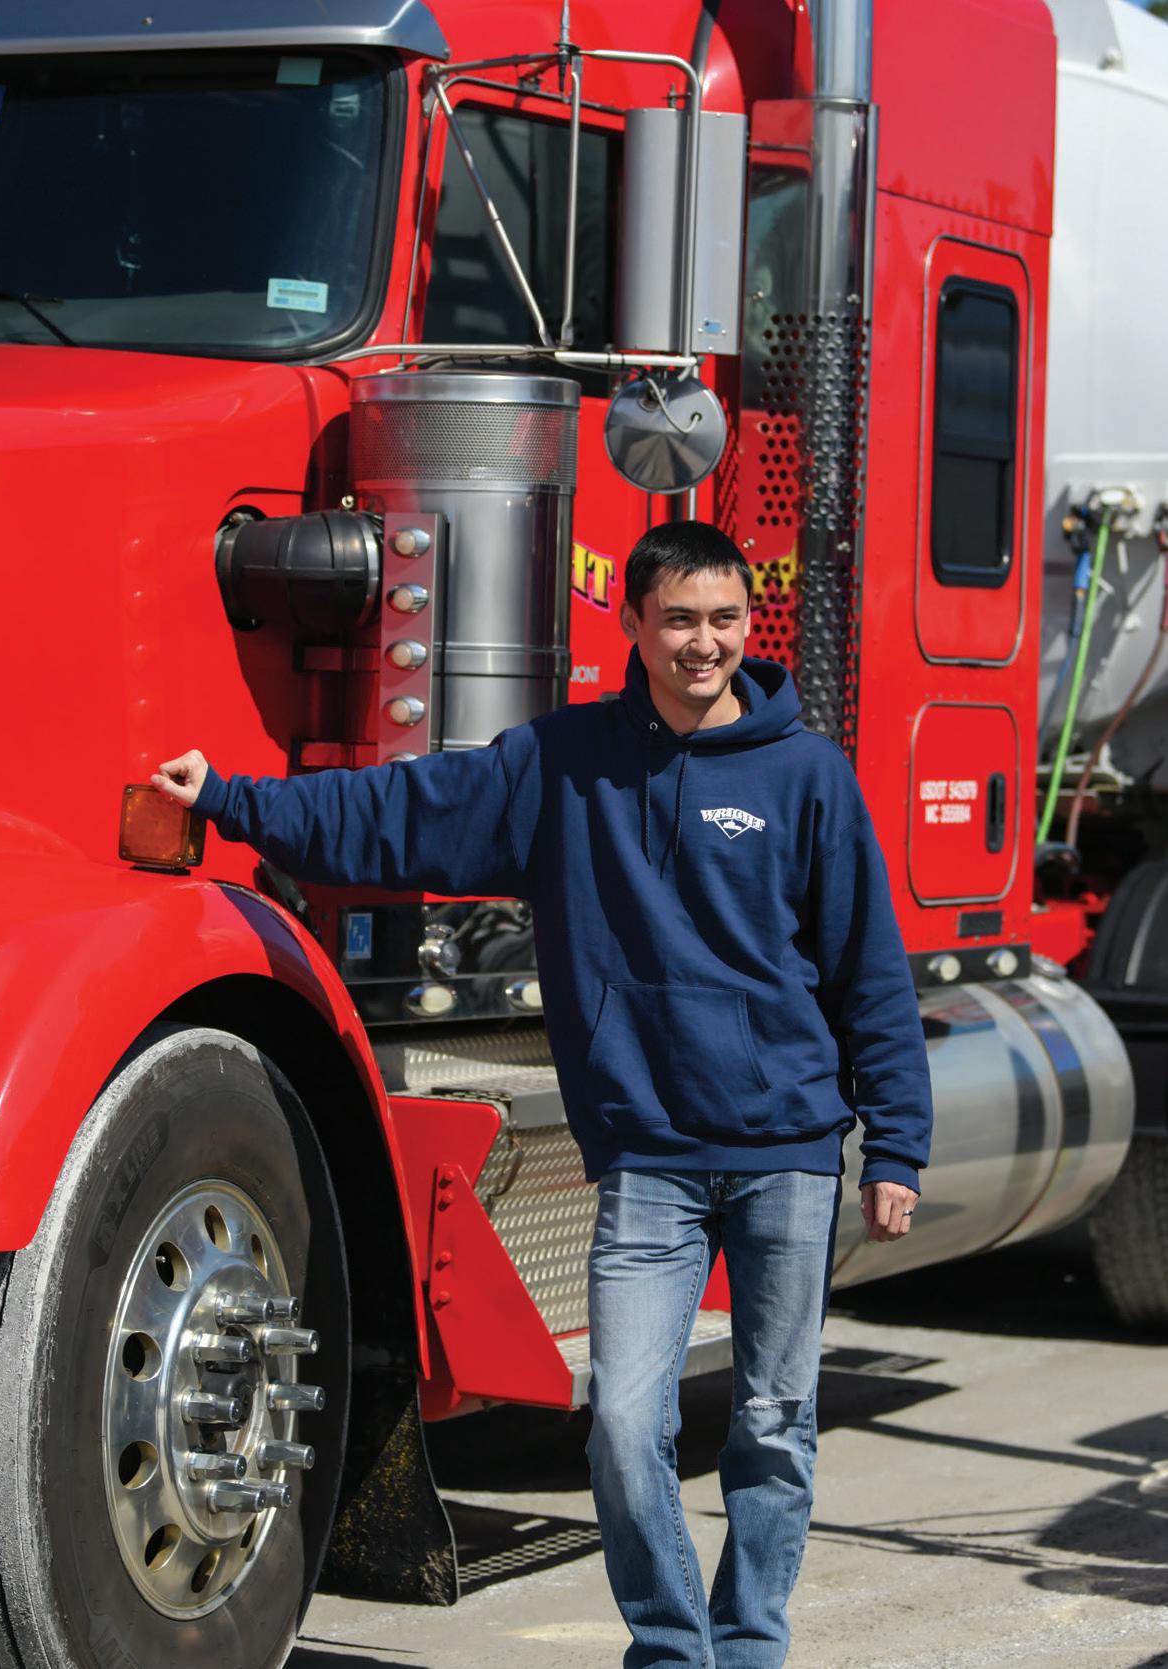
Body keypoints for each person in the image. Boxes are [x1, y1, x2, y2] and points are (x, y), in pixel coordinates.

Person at [153, 520, 931, 1668]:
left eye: (723, 619)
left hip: (786, 1152)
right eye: (678, 619)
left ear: (746, 623)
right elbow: (400, 813)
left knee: (774, 1421)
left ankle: (749, 1644)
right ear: (633, 625)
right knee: (619, 1425)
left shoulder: (804, 774)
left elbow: (868, 969)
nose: (703, 642)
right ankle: (672, 1648)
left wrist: (896, 1148)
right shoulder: (564, 765)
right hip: (648, 1159)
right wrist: (231, 799)